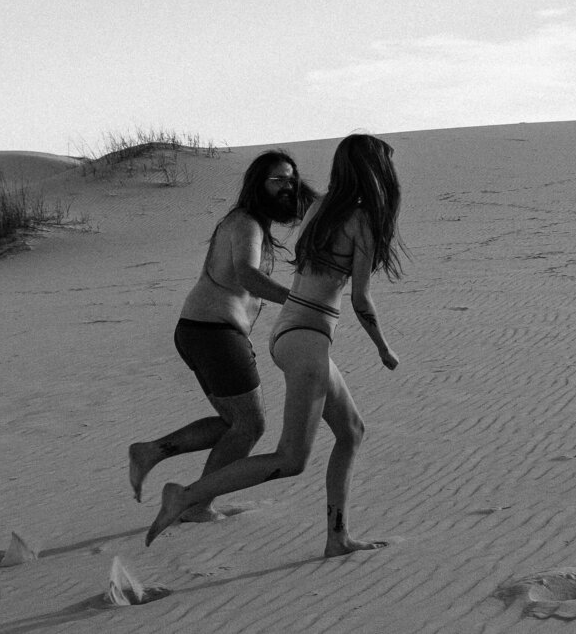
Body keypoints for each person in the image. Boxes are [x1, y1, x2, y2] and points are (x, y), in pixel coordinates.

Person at [146, 133, 406, 556]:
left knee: (352, 431)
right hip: (307, 341)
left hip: (290, 335)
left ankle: (337, 537)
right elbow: (361, 299)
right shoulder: (361, 220)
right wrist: (383, 346)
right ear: (375, 173)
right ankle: (187, 496)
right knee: (290, 458)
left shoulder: (322, 208)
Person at [129, 150, 317, 522]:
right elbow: (245, 274)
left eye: (290, 180)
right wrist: (296, 301)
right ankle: (195, 504)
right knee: (250, 425)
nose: (286, 187)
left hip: (200, 332)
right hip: (215, 334)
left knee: (235, 423)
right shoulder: (246, 223)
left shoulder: (253, 222)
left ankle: (151, 451)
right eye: (277, 180)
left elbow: (310, 201)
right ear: (257, 184)